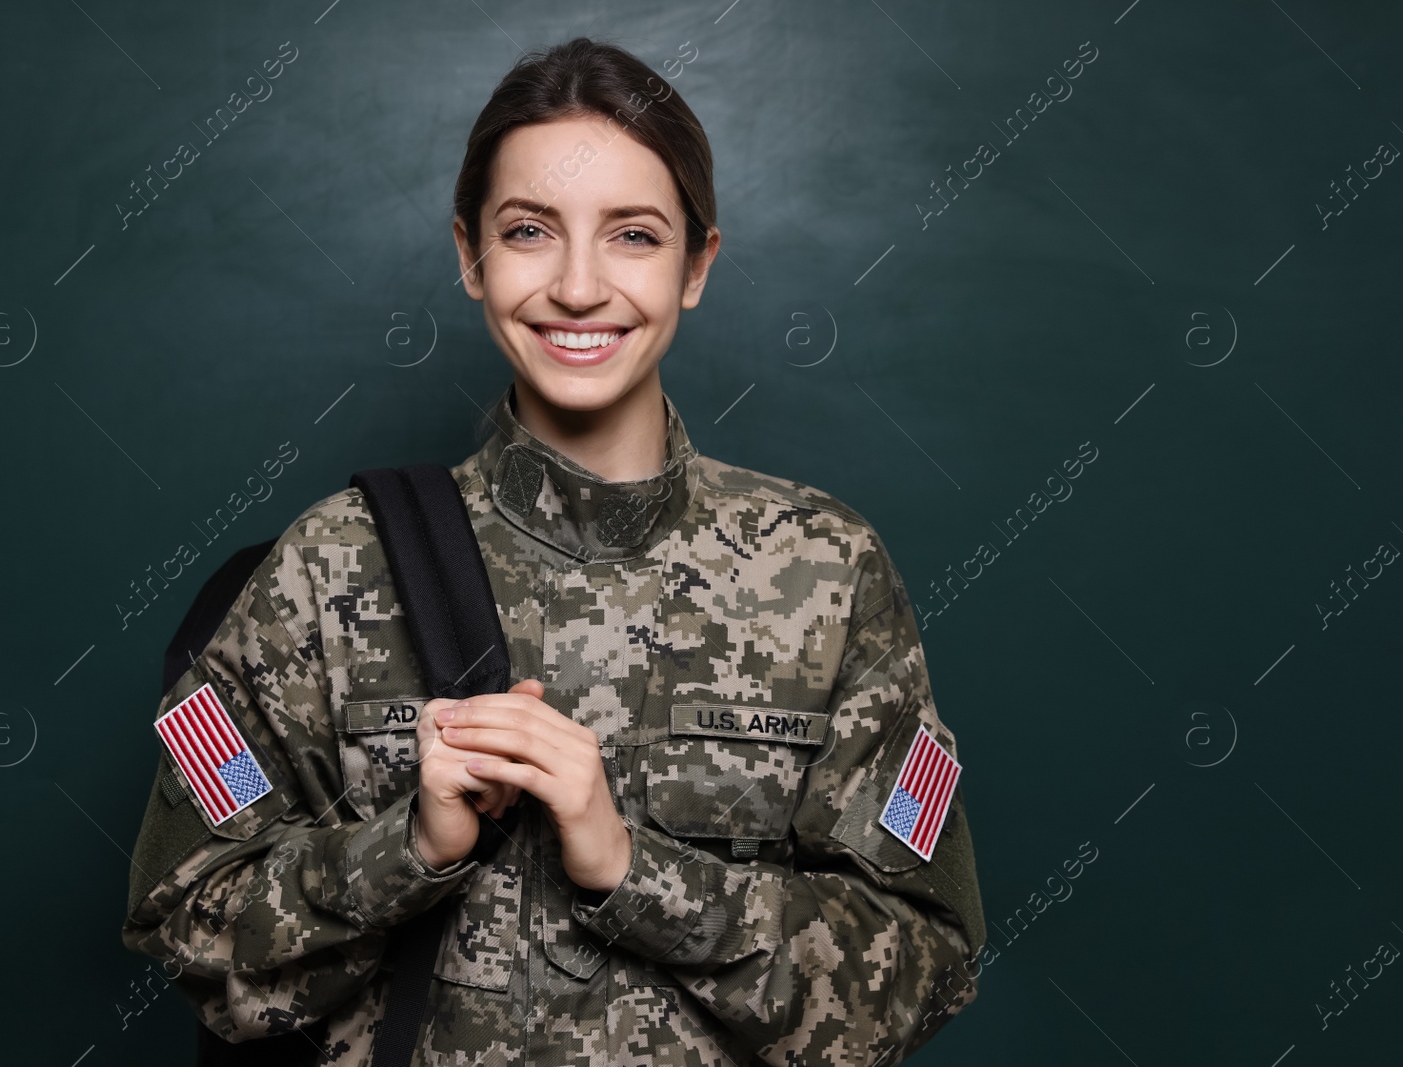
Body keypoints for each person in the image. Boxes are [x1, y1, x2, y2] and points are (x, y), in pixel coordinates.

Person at [121, 35, 985, 1066]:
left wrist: (632, 869)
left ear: (697, 265)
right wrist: (412, 846)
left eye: (632, 235)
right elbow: (188, 935)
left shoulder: (827, 570)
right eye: (529, 231)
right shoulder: (332, 565)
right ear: (469, 255)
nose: (579, 286)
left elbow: (921, 968)